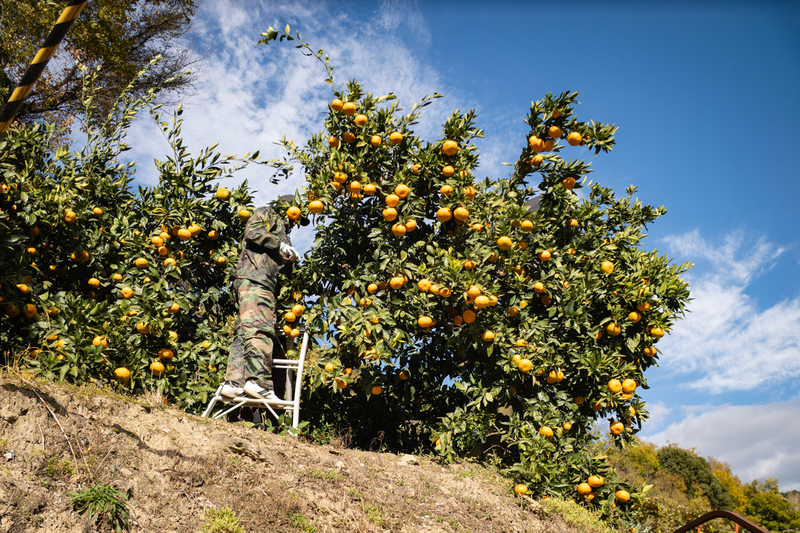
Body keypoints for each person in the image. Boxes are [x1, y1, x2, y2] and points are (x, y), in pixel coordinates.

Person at [220, 195, 300, 400]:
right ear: (286, 208)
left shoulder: (283, 234)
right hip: (257, 280)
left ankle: (234, 383)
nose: (295, 221)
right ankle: (259, 382)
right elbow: (252, 232)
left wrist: (289, 261)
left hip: (255, 280)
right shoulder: (268, 214)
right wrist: (279, 244)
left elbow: (278, 265)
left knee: (244, 331)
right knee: (260, 328)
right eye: (294, 215)